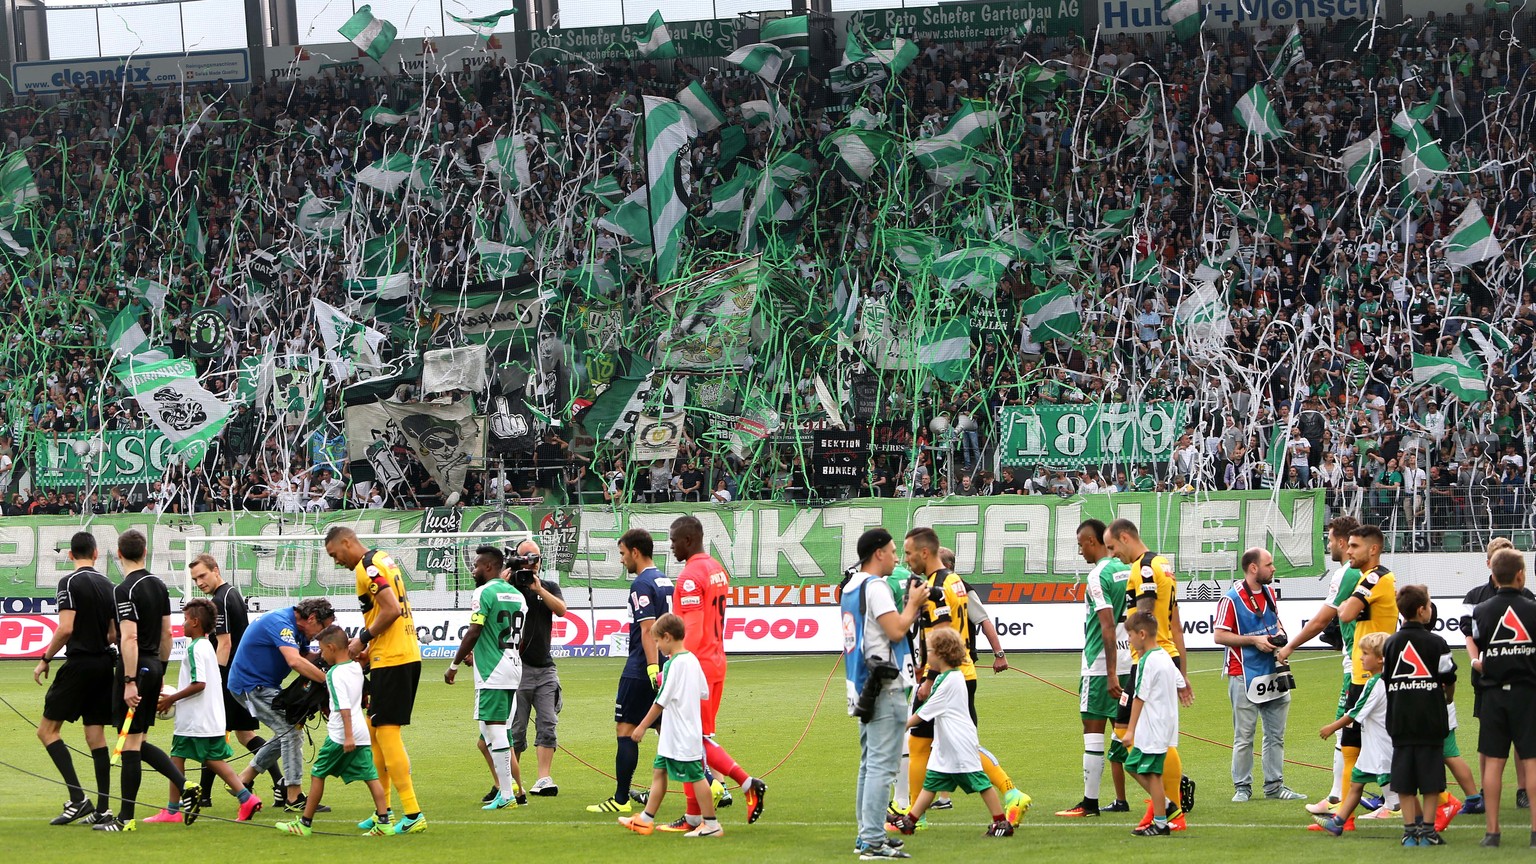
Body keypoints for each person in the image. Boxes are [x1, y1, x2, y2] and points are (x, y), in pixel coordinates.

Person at [901, 527, 1029, 829]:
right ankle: (913, 815)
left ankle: (1010, 793)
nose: (907, 560)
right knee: (934, 745)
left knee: (938, 743)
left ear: (924, 552)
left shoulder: (936, 587)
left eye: (908, 554)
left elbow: (942, 632)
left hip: (948, 675)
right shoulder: (954, 581)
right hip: (959, 672)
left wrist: (930, 677)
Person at [666, 515, 768, 829]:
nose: (670, 548)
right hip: (716, 660)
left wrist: (675, 667)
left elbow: (692, 630)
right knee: (697, 737)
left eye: (672, 541)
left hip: (696, 664)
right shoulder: (716, 570)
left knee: (691, 739)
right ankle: (695, 815)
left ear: (687, 541)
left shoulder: (689, 576)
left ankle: (747, 782)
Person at [325, 525, 426, 834]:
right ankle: (384, 810)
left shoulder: (366, 567)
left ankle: (412, 813)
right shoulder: (383, 558)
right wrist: (370, 646)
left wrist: (362, 639)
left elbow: (391, 609)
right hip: (399, 653)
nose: (335, 561)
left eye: (334, 554)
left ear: (346, 542)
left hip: (393, 658)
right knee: (374, 729)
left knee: (387, 731)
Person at [1104, 518, 1192, 830]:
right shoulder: (1163, 563)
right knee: (1146, 733)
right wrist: (1182, 669)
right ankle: (1165, 804)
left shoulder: (1142, 568)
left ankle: (1169, 806)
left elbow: (1145, 612)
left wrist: (1137, 642)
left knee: (1127, 732)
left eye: (1113, 547)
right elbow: (1176, 621)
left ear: (1125, 537)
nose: (1113, 554)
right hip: (1165, 656)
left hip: (1150, 658)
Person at [843, 527, 924, 860]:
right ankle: (873, 840)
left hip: (862, 684)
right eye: (892, 551)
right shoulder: (875, 587)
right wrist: (913, 604)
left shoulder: (851, 586)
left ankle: (868, 836)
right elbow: (895, 629)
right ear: (878, 553)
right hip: (885, 685)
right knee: (881, 767)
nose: (895, 558)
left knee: (868, 765)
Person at [97, 529, 185, 832]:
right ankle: (185, 786)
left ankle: (125, 819)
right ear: (145, 552)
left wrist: (130, 680)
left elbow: (129, 637)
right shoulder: (159, 586)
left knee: (130, 744)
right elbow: (168, 634)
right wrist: (159, 672)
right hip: (154, 666)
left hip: (134, 668)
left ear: (119, 554)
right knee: (139, 740)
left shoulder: (124, 589)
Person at [890, 627, 1014, 838]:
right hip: (947, 744)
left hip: (959, 743)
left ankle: (1001, 822)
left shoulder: (951, 680)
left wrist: (899, 726)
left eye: (929, 651)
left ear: (940, 654)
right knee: (932, 782)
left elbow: (924, 712)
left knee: (979, 782)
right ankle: (910, 821)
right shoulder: (946, 677)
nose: (927, 655)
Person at [1275, 514, 1361, 816]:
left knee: (1345, 730)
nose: (1328, 543)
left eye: (1329, 538)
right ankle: (1389, 801)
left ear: (1342, 541)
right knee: (1374, 731)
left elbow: (1321, 620)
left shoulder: (1347, 573)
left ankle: (1337, 798)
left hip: (1359, 666)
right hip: (1366, 661)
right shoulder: (1368, 573)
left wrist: (1289, 647)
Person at [149, 598, 262, 823]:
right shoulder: (207, 646)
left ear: (196, 622)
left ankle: (173, 811)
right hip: (209, 717)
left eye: (186, 620)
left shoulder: (194, 649)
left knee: (180, 756)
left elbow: (199, 683)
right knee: (201, 758)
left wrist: (171, 698)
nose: (183, 624)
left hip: (195, 719)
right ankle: (246, 798)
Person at [274, 626, 393, 837]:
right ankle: (384, 822)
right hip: (361, 731)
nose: (321, 655)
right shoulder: (355, 667)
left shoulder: (334, 674)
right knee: (370, 776)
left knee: (318, 773)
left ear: (331, 647)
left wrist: (347, 736)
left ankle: (305, 824)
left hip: (341, 734)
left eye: (322, 650)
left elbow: (343, 706)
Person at [33, 531, 118, 826]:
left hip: (80, 663)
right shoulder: (109, 585)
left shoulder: (68, 582)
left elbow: (66, 628)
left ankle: (78, 798)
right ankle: (104, 808)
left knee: (47, 731)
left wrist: (45, 658)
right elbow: (113, 633)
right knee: (96, 735)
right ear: (96, 554)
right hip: (105, 663)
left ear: (71, 555)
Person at [588, 529, 673, 814]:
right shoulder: (665, 580)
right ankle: (712, 783)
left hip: (642, 667)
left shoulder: (642, 583)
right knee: (668, 729)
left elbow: (648, 629)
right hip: (667, 664)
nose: (622, 560)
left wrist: (650, 667)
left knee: (625, 730)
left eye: (622, 554)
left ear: (635, 552)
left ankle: (621, 799)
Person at [618, 613, 724, 838]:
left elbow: (661, 701)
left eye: (657, 641)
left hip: (682, 733)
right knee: (659, 771)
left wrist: (641, 727)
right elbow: (703, 691)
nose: (656, 646)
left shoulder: (674, 664)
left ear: (667, 637)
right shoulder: (692, 660)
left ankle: (712, 823)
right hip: (674, 732)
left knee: (696, 776)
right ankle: (645, 820)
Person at [227, 597, 335, 810]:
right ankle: (294, 797)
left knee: (285, 732)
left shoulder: (295, 627)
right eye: (323, 628)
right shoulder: (280, 623)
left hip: (261, 685)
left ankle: (243, 779)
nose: (321, 635)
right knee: (291, 731)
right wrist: (329, 682)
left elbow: (306, 656)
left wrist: (330, 654)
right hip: (251, 686)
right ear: (312, 618)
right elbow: (295, 661)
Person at [1214, 547, 1304, 802]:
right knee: (1244, 735)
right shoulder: (1231, 598)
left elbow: (1274, 623)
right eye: (1269, 564)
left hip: (1273, 672)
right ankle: (1242, 787)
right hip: (1243, 673)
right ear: (1253, 568)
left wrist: (1280, 640)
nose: (1273, 568)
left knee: (1276, 733)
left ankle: (1275, 786)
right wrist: (1255, 640)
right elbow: (1219, 635)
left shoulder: (1269, 593)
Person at [1056, 519, 1132, 818]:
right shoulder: (1128, 569)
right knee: (1128, 731)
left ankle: (1089, 803)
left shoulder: (1098, 574)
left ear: (1091, 541)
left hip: (1102, 666)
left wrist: (1110, 672)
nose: (1079, 552)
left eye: (1080, 545)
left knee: (1093, 732)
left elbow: (1106, 625)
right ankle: (1163, 789)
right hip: (1132, 660)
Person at [189, 553, 276, 809]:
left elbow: (224, 643)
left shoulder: (220, 599)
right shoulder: (232, 593)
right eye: (195, 579)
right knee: (244, 734)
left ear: (216, 570)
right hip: (241, 673)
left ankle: (204, 795)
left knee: (213, 732)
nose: (199, 582)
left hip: (229, 676)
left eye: (203, 575)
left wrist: (214, 678)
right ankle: (281, 785)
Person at [445, 545, 526, 811]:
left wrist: (454, 665)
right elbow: (516, 638)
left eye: (478, 565)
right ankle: (515, 790)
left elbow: (474, 630)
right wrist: (477, 654)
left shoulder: (483, 592)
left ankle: (506, 794)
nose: (473, 569)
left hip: (493, 672)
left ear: (490, 567)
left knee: (494, 732)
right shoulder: (517, 595)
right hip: (513, 666)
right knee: (493, 732)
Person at [1467, 546, 1536, 847]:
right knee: (1532, 762)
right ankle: (1535, 832)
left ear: (1493, 575)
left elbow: (1476, 646)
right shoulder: (1533, 610)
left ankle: (1492, 832)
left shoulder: (1481, 610)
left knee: (1493, 763)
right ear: (1521, 575)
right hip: (1527, 695)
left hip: (1493, 694)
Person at [1381, 584, 1455, 846]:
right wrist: (1447, 697)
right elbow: (1448, 677)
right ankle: (1428, 831)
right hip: (1430, 720)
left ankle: (1409, 831)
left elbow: (1387, 678)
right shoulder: (1437, 643)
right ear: (1422, 610)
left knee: (1403, 777)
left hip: (1400, 719)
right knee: (1431, 778)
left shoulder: (1390, 644)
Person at [1338, 522, 1402, 820]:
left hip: (1371, 677)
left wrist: (1349, 603)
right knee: (1369, 745)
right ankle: (1384, 805)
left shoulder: (1375, 577)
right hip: (1364, 673)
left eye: (1354, 546)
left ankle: (1344, 815)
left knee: (1354, 743)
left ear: (1373, 549)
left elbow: (1346, 613)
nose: (1348, 550)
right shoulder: (1371, 577)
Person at [1460, 536, 1527, 812]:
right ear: (1489, 562)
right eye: (1499, 556)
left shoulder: (1527, 598)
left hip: (1522, 680)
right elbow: (1468, 634)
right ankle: (1488, 790)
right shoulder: (1475, 597)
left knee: (1524, 740)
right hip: (1487, 680)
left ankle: (1523, 791)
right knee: (1488, 740)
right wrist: (1476, 661)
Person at [506, 538, 568, 798]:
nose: (532, 564)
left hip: (545, 667)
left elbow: (562, 611)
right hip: (516, 667)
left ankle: (543, 778)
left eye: (536, 558)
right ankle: (510, 779)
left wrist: (540, 590)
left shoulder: (549, 586)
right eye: (526, 558)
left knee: (547, 723)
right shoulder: (507, 587)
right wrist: (504, 579)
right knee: (516, 728)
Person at [1316, 631, 1394, 836]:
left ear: (1380, 659)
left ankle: (1423, 823)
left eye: (1365, 653)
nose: (1360, 657)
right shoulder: (1385, 680)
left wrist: (1332, 727)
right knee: (1356, 783)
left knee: (1399, 798)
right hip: (1372, 749)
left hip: (1382, 749)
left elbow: (1355, 712)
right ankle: (1338, 822)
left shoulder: (1376, 683)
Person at [1121, 611, 1182, 837]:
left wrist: (1130, 730)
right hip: (1159, 725)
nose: (1128, 640)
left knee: (1153, 774)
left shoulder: (1147, 661)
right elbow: (1179, 681)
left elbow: (1140, 696)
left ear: (1142, 634)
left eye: (1130, 635)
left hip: (1154, 727)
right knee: (1132, 765)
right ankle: (1166, 805)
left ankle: (1161, 823)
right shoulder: (1164, 655)